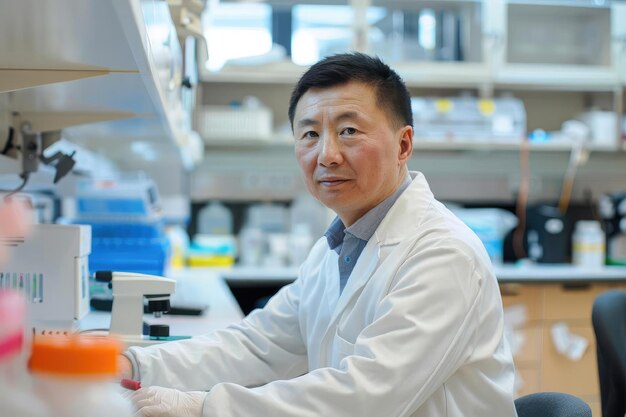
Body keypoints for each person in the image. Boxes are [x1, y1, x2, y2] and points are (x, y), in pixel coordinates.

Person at [123, 52, 518, 417]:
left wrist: (207, 407)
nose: (326, 154)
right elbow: (259, 344)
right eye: (310, 134)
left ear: (403, 145)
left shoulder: (443, 254)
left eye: (348, 131)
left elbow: (368, 396)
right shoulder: (336, 248)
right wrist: (132, 363)